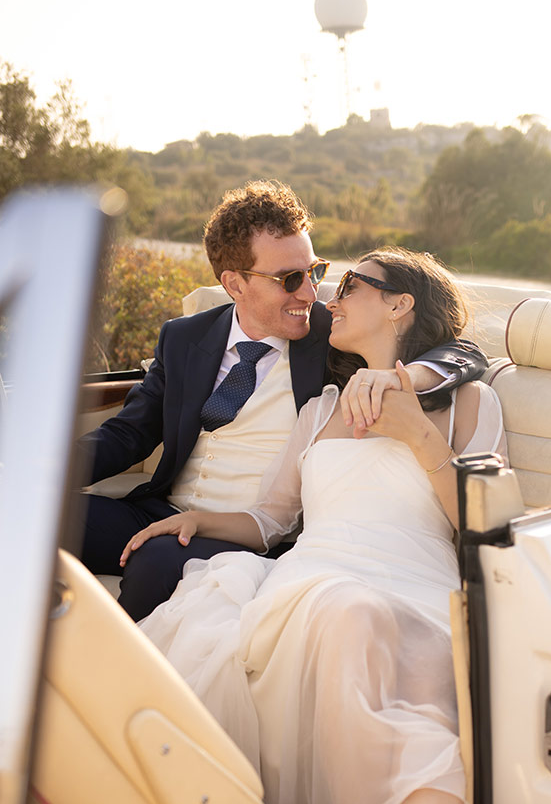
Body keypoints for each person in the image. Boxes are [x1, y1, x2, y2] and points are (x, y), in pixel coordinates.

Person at [121, 248, 507, 804]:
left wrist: (417, 435)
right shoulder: (318, 409)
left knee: (400, 652)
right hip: (317, 576)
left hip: (421, 581)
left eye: (352, 285)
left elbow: (486, 524)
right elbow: (271, 520)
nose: (331, 295)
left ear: (401, 305)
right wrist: (197, 521)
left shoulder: (469, 405)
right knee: (345, 615)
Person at [75, 180, 488, 620]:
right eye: (289, 279)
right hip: (162, 512)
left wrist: (398, 377)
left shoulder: (333, 336)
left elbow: (459, 351)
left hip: (252, 537)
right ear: (234, 283)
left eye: (314, 271)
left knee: (154, 564)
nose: (310, 293)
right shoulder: (184, 337)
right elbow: (128, 433)